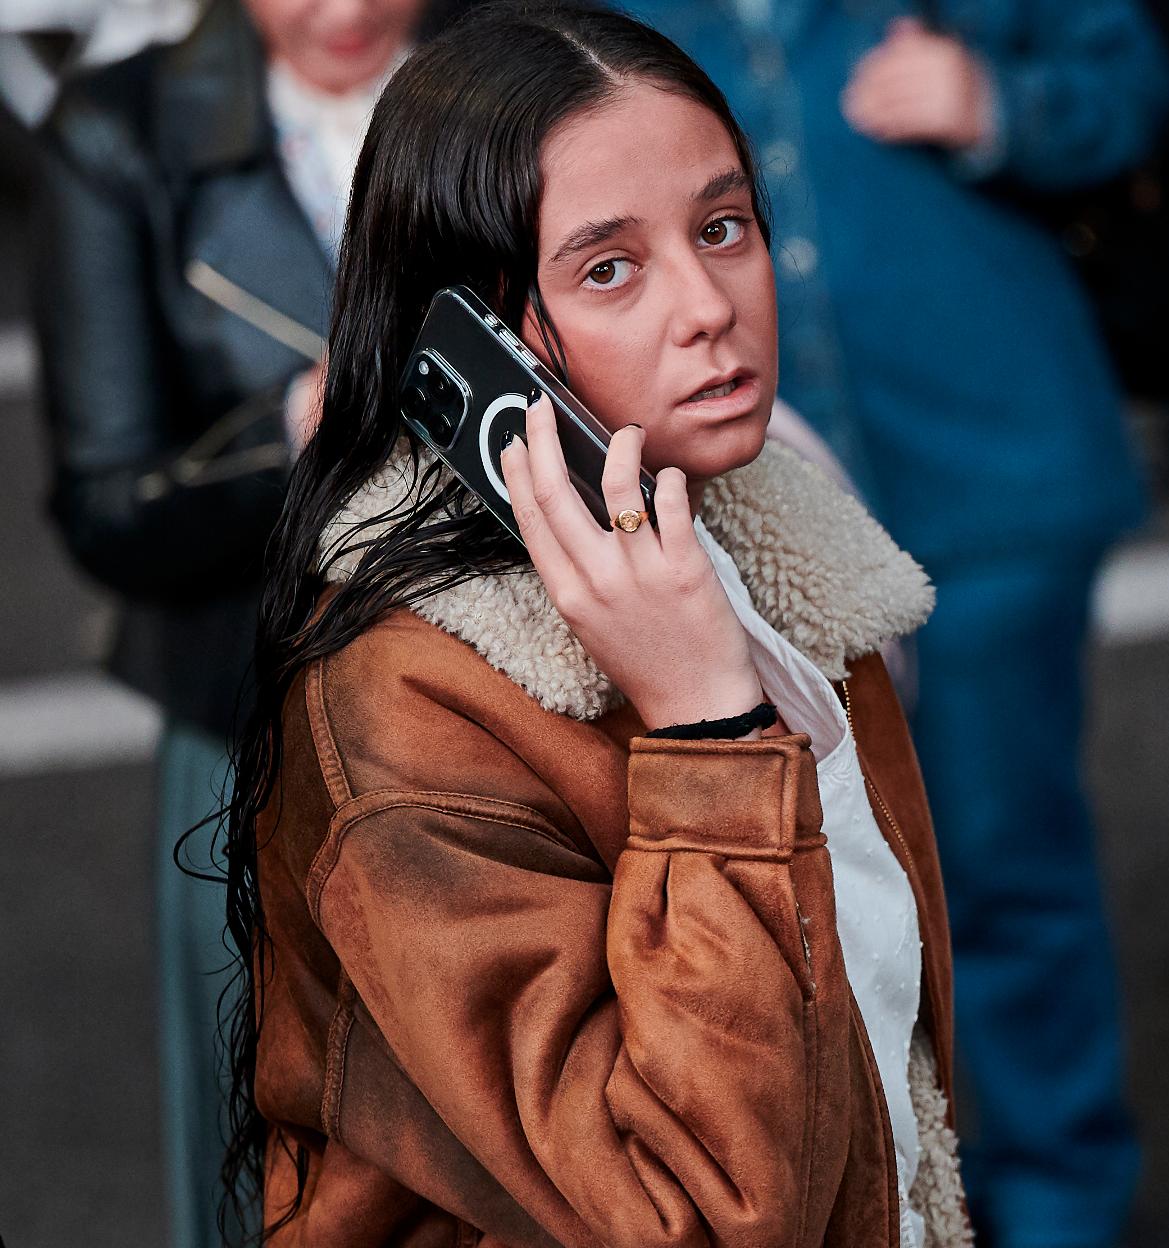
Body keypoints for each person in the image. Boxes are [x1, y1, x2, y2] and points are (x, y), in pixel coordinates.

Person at [219, 4, 972, 1244]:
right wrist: (709, 732)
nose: (709, 305)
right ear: (475, 336)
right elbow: (691, 1213)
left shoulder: (783, 560)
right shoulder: (411, 699)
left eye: (723, 228)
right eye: (609, 267)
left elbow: (894, 1068)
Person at [618, 3, 1169, 1245]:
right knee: (794, 894)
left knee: (1007, 863)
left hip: (991, 482)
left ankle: (1059, 1205)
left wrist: (1000, 104)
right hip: (746, 510)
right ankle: (875, 1209)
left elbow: (1131, 79)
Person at [32, 1, 437, 1242]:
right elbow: (111, 508)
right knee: (270, 1154)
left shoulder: (523, 67)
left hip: (529, 681)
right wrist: (286, 439)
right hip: (255, 713)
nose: (345, 10)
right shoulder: (121, 129)